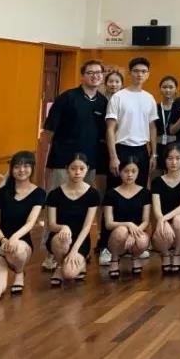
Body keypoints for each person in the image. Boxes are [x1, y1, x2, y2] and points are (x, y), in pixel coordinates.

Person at [38, 60, 107, 270]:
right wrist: (42, 164)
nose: (95, 76)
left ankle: (80, 249)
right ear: (82, 75)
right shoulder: (67, 98)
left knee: (84, 208)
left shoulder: (103, 102)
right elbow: (48, 132)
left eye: (98, 72)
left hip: (89, 165)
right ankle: (51, 252)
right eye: (90, 72)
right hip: (62, 162)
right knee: (57, 206)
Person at [0, 152, 46, 299]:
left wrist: (14, 238)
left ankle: (19, 272)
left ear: (32, 168)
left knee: (16, 250)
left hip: (21, 243)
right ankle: (3, 268)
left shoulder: (39, 193)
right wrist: (4, 240)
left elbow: (30, 222)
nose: (21, 170)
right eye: (17, 166)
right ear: (11, 169)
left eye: (26, 166)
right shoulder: (0, 194)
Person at [45, 154, 101, 286]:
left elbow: (87, 226)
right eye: (73, 168)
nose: (77, 172)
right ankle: (59, 265)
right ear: (66, 169)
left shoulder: (93, 194)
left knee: (69, 274)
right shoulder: (54, 194)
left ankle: (80, 260)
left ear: (87, 169)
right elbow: (51, 224)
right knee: (63, 240)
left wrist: (75, 250)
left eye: (81, 168)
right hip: (59, 238)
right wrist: (62, 227)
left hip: (80, 240)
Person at [105, 57, 158, 189]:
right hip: (121, 148)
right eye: (136, 71)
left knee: (140, 189)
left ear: (148, 74)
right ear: (129, 73)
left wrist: (154, 154)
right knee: (116, 188)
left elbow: (152, 127)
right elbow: (110, 129)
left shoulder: (149, 98)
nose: (140, 74)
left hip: (142, 150)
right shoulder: (118, 97)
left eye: (143, 71)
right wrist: (113, 156)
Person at [102, 158, 152, 278]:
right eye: (126, 171)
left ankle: (136, 257)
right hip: (116, 234)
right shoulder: (111, 194)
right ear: (120, 172)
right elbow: (108, 223)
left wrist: (133, 234)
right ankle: (114, 258)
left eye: (133, 171)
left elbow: (146, 221)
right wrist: (128, 224)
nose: (130, 175)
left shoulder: (145, 193)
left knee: (142, 240)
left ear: (138, 172)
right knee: (121, 231)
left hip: (137, 231)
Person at [151, 143, 180, 274]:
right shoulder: (157, 182)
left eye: (178, 158)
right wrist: (163, 221)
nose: (174, 162)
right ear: (164, 160)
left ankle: (177, 254)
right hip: (163, 226)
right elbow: (156, 209)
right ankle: (165, 255)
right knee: (162, 225)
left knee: (179, 219)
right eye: (170, 158)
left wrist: (164, 218)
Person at [153, 75, 178, 174]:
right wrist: (153, 153)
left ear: (176, 90)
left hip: (175, 148)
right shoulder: (155, 107)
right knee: (156, 176)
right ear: (160, 89)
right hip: (158, 147)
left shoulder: (179, 108)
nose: (167, 90)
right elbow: (151, 130)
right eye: (164, 87)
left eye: (171, 87)